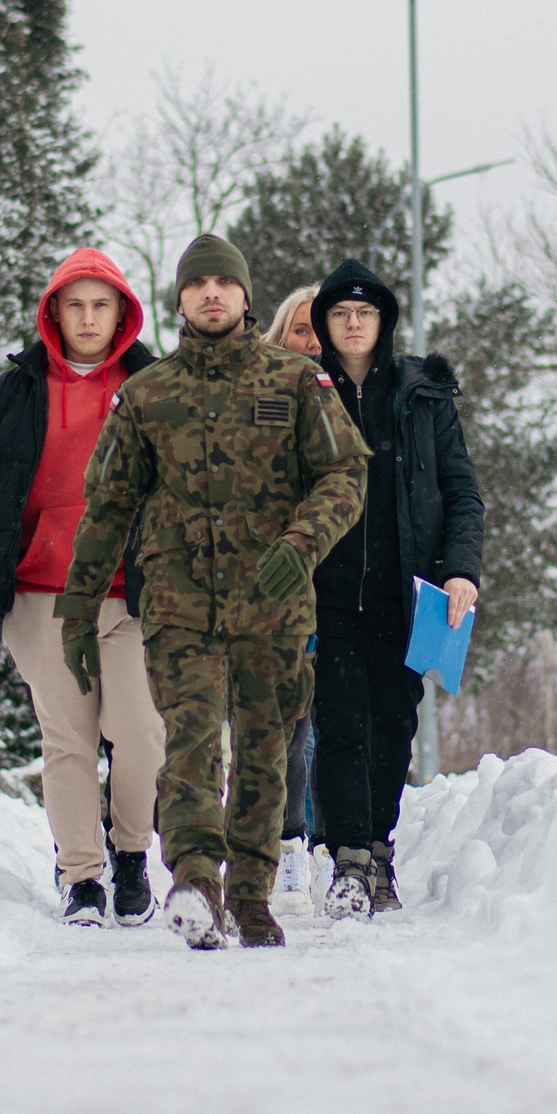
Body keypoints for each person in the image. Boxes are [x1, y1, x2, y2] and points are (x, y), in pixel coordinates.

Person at [57, 236, 368, 950]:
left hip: (274, 603)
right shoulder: (146, 395)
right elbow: (106, 504)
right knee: (191, 742)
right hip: (179, 601)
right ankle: (195, 879)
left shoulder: (297, 383)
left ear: (245, 294)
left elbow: (346, 476)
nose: (212, 294)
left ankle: (252, 896)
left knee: (263, 749)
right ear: (180, 299)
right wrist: (77, 610)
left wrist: (301, 543)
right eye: (198, 284)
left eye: (224, 282)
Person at [0, 248, 164, 929]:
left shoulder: (153, 386)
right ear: (54, 313)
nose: (88, 317)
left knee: (139, 732)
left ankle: (130, 855)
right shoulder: (17, 390)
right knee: (67, 739)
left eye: (101, 304)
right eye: (76, 304)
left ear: (121, 312)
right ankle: (83, 878)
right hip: (40, 593)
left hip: (129, 593)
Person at [308, 258, 484, 920]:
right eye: (340, 313)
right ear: (325, 324)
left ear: (384, 322)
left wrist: (461, 570)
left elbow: (463, 492)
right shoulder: (305, 392)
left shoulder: (422, 397)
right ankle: (348, 861)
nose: (354, 324)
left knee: (392, 730)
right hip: (328, 597)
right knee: (341, 724)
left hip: (407, 599)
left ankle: (378, 852)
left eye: (366, 313)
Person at [260, 284, 322, 904]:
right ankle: (289, 839)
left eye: (319, 328)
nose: (312, 341)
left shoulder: (350, 400)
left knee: (337, 721)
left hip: (344, 583)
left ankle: (331, 844)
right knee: (291, 723)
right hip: (283, 583)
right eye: (299, 329)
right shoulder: (262, 396)